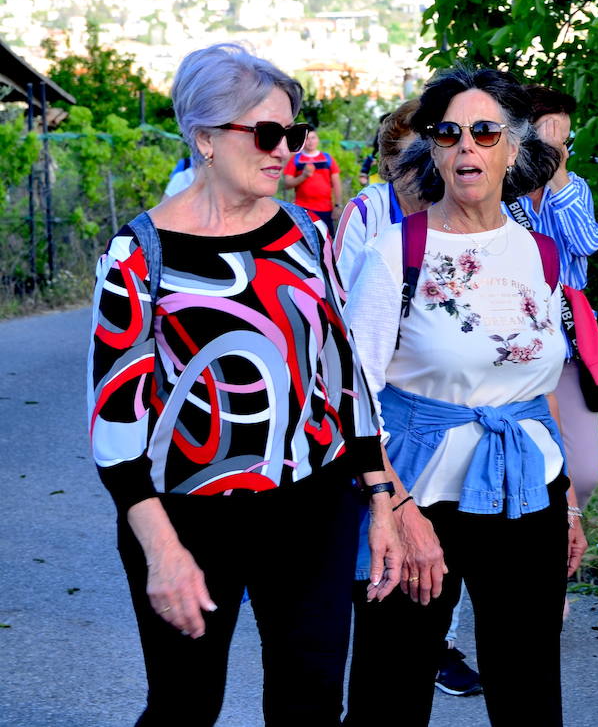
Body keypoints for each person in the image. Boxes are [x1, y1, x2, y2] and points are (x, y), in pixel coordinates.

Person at [87, 42, 401, 726]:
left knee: (312, 701)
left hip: (313, 507)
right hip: (187, 515)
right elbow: (114, 426)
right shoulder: (140, 254)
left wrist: (381, 499)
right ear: (204, 137)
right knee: (183, 706)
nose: (284, 149)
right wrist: (162, 549)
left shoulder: (306, 233)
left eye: (290, 131)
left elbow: (345, 379)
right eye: (265, 133)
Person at [344, 66, 585, 727]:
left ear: (514, 148)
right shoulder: (397, 253)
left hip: (526, 493)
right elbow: (352, 394)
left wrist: (565, 504)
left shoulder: (540, 252)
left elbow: (539, 387)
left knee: (531, 695)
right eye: (449, 134)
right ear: (434, 150)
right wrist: (392, 507)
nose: (466, 149)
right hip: (419, 497)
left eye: (485, 132)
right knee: (386, 699)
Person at [333, 99, 485, 698]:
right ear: (387, 164)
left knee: (449, 541)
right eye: (402, 160)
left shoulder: (474, 216)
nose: (417, 171)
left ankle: (439, 645)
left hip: (447, 405)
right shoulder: (369, 216)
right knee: (388, 523)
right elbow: (342, 304)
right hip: (386, 403)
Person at [506, 84, 598, 506]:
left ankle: (569, 532)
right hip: (509, 347)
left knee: (583, 472)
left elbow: (586, 243)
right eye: (549, 137)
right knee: (523, 468)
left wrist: (558, 168)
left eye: (565, 140)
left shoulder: (573, 188)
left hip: (567, 346)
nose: (558, 147)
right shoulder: (497, 193)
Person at [334, 100, 426, 295]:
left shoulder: (453, 207)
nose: (421, 166)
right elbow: (341, 288)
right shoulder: (365, 212)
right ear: (390, 160)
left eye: (428, 155)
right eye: (411, 154)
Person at [283, 127, 344, 234]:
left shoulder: (327, 158)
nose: (310, 141)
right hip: (302, 209)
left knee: (326, 244)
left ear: (317, 139)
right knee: (304, 241)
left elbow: (337, 183)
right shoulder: (296, 159)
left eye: (313, 138)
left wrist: (338, 206)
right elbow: (287, 184)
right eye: (307, 139)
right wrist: (304, 175)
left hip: (325, 209)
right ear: (303, 141)